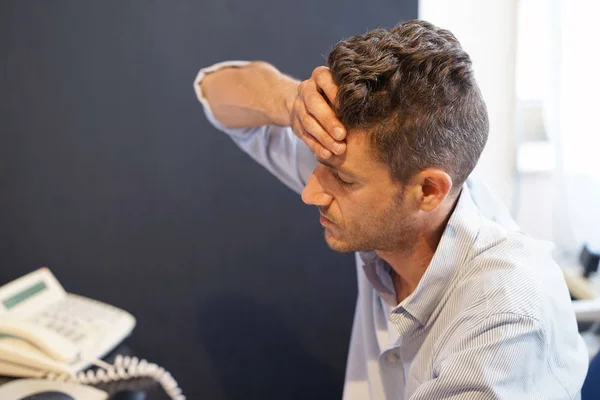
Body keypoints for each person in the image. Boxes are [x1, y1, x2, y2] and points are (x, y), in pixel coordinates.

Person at [194, 20, 588, 399]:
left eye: (344, 180)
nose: (311, 192)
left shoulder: (505, 320)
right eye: (319, 164)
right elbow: (216, 92)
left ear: (429, 191)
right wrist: (291, 101)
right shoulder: (373, 175)